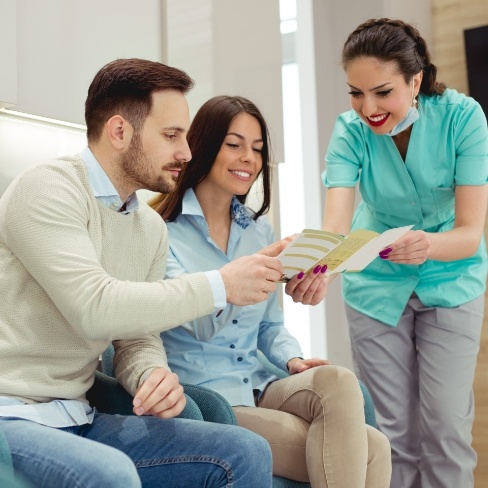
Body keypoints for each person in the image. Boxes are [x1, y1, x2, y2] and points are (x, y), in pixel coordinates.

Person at [0, 58, 286, 488]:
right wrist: (221, 285)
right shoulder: (47, 189)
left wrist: (150, 374)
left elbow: (135, 337)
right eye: (171, 136)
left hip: (79, 415)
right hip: (10, 415)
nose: (186, 153)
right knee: (110, 474)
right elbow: (95, 307)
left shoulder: (148, 227)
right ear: (119, 132)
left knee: (243, 450)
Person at [150, 95, 392, 488]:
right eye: (234, 144)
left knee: (339, 381)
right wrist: (247, 271)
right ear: (204, 145)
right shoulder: (160, 231)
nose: (249, 157)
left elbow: (270, 326)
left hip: (260, 382)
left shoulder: (258, 231)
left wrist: (292, 359)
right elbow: (199, 326)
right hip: (209, 398)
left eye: (258, 149)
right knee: (373, 449)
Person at [319, 18, 488, 488]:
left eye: (382, 92)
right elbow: (335, 225)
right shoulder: (349, 132)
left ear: (415, 81)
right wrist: (317, 269)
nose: (367, 108)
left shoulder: (463, 118)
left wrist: (427, 245)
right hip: (374, 283)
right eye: (356, 93)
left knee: (447, 430)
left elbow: (471, 233)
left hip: (451, 278)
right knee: (390, 434)